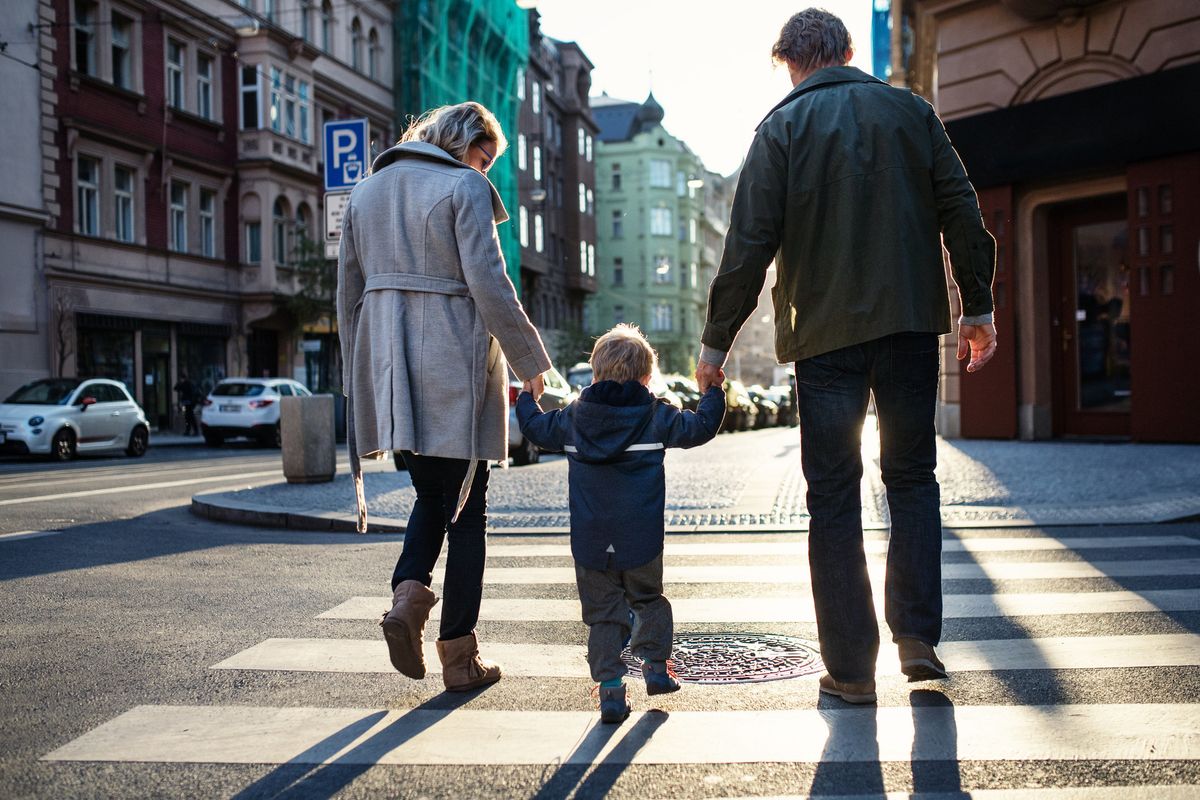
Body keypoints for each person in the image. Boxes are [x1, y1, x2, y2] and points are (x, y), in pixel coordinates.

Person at [695, 10, 998, 705]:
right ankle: (917, 639)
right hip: (909, 323)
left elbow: (748, 247)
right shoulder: (909, 111)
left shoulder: (779, 129)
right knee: (912, 479)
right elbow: (961, 208)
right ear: (848, 52)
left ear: (791, 62)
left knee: (833, 497)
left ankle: (852, 670)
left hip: (822, 336)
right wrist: (976, 306)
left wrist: (716, 344)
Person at [337, 102, 552, 692]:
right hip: (452, 360)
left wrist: (359, 376)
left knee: (433, 495)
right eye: (483, 159)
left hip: (391, 366)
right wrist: (531, 362)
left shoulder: (366, 192)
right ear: (460, 144)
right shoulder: (464, 188)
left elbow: (347, 294)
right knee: (467, 509)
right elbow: (488, 280)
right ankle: (459, 654)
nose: (485, 172)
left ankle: (407, 601)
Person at [516, 324, 725, 723]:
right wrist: (712, 391)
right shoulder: (656, 415)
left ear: (594, 374)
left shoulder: (573, 418)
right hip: (641, 538)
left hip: (592, 541)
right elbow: (700, 428)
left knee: (603, 615)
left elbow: (535, 428)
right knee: (649, 600)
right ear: (647, 377)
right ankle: (656, 669)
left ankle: (611, 690)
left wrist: (529, 396)